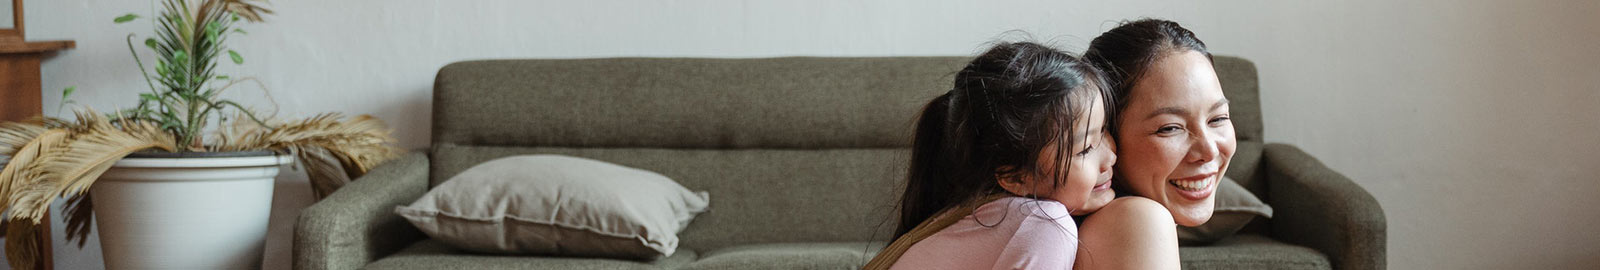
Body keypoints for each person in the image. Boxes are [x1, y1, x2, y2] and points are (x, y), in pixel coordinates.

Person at [862, 41, 1121, 269]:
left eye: (1105, 130)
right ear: (1015, 177)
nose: (1110, 156)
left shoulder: (982, 216)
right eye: (1086, 148)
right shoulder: (1045, 223)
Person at [1072, 18, 1237, 269]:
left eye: (1218, 118)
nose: (1209, 150)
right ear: (1106, 137)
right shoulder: (1137, 219)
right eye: (1170, 128)